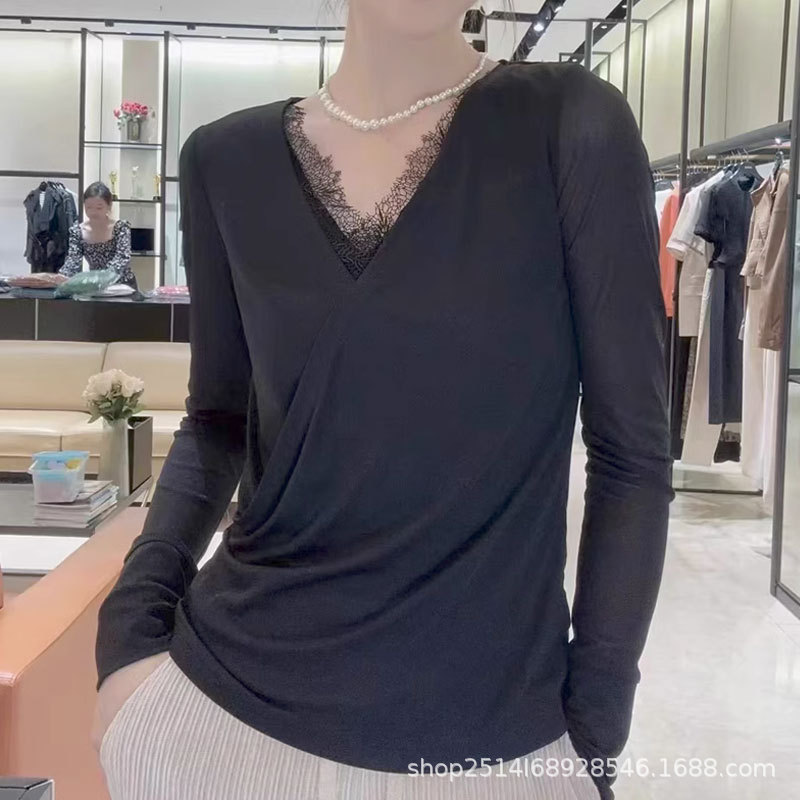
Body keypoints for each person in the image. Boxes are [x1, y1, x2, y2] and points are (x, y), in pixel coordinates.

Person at [91, 1, 673, 799]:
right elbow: (218, 420)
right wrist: (128, 631)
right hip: (215, 721)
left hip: (491, 744)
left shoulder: (570, 126)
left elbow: (632, 451)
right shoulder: (224, 160)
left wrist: (594, 739)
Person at [60, 181, 137, 289]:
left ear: (109, 206)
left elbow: (122, 257)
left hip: (122, 284)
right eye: (89, 207)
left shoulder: (120, 227)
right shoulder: (77, 230)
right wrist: (62, 277)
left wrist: (103, 277)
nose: (93, 212)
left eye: (99, 208)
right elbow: (73, 260)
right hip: (96, 286)